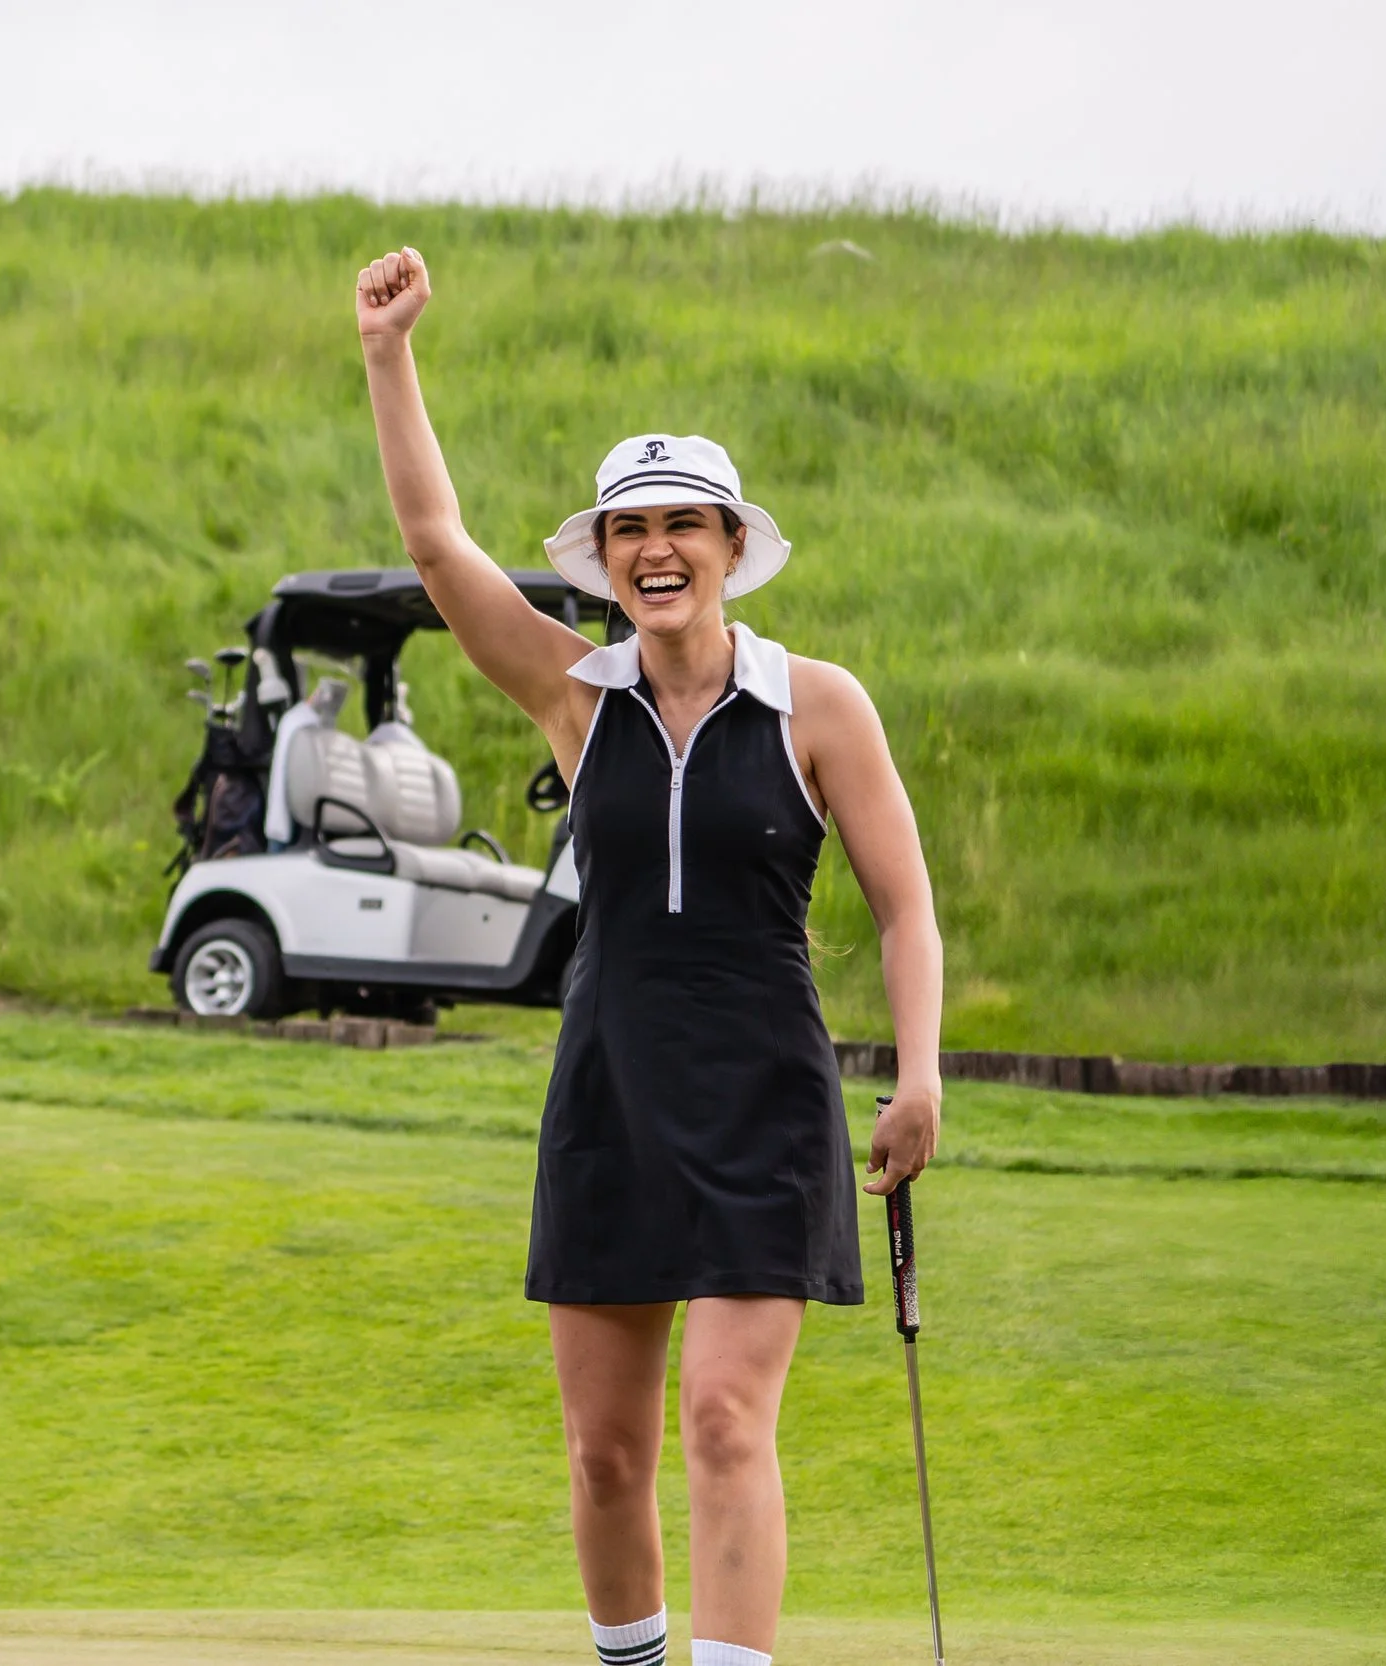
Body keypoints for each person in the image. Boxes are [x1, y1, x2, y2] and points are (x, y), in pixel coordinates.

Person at [353, 247, 944, 1666]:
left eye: (686, 522)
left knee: (727, 1418)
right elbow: (438, 547)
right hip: (610, 1090)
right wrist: (389, 354)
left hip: (763, 1094)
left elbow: (905, 905)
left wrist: (920, 1073)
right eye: (631, 527)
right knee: (606, 1453)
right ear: (603, 558)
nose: (657, 547)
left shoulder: (820, 705)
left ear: (734, 546)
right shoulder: (575, 696)